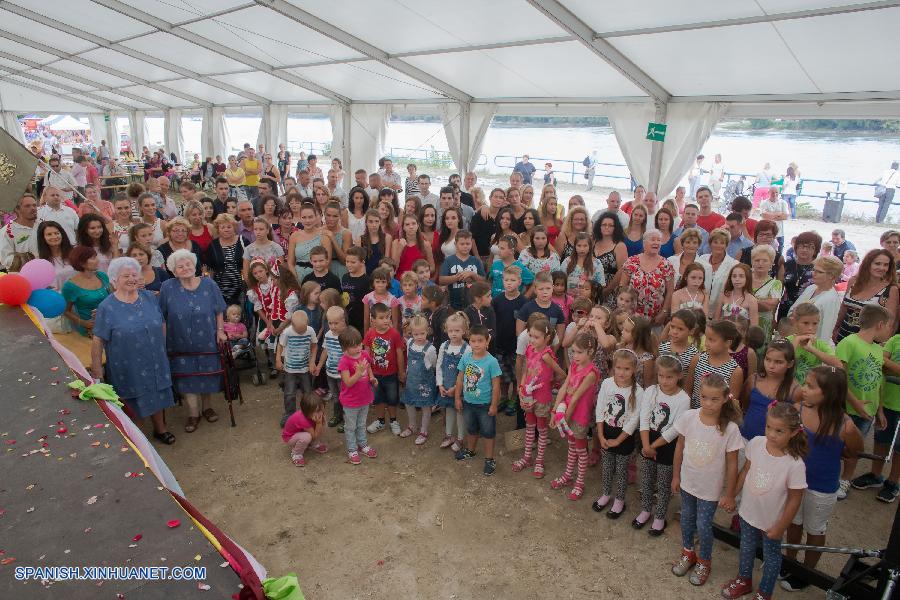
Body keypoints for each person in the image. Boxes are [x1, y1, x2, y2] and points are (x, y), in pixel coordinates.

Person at [781, 366, 863, 592]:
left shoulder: (845, 425)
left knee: (815, 529)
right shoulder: (798, 410)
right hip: (795, 481)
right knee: (794, 522)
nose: (803, 389)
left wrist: (842, 450)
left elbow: (855, 450)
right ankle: (790, 562)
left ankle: (807, 572)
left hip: (822, 488)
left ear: (829, 393)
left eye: (810, 386)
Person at [721, 403, 807, 600]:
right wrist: (731, 495)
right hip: (748, 512)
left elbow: (795, 500)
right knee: (746, 547)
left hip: (772, 521)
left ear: (794, 432)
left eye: (779, 431)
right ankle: (744, 580)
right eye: (769, 427)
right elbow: (745, 471)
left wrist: (781, 526)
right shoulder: (757, 443)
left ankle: (765, 592)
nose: (772, 434)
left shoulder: (795, 464)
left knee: (771, 556)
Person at [90, 257, 175, 445]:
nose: (131, 279)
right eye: (125, 276)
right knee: (133, 399)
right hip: (126, 363)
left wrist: (163, 349)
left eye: (134, 275)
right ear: (114, 280)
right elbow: (98, 339)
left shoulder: (149, 297)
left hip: (155, 358)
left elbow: (161, 323)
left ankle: (160, 429)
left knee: (157, 393)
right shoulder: (107, 307)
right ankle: (139, 439)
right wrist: (97, 369)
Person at [670, 372, 743, 587]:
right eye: (704, 397)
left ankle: (704, 561)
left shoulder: (730, 429)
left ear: (725, 398)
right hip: (688, 483)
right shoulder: (689, 418)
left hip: (709, 489)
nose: (708, 403)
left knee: (703, 525)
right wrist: (676, 476)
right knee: (686, 519)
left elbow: (732, 464)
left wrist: (729, 494)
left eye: (714, 399)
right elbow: (679, 448)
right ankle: (688, 552)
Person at [159, 249, 227, 433]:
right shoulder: (167, 287)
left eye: (188, 264)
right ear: (173, 270)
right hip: (179, 341)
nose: (185, 268)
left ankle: (207, 407)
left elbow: (219, 310)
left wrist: (220, 331)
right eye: (180, 266)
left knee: (207, 373)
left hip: (207, 339)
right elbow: (162, 315)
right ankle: (193, 413)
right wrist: (162, 340)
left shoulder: (209, 284)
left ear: (194, 265)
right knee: (186, 376)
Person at [837, 305, 893, 499]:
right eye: (889, 326)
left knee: (855, 449)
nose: (890, 331)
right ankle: (830, 475)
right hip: (845, 409)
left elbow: (879, 382)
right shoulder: (848, 343)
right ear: (880, 325)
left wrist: (880, 410)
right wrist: (855, 403)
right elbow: (840, 378)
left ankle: (845, 480)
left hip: (867, 413)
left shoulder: (878, 349)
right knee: (836, 445)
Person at [636, 355, 691, 535]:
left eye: (669, 377)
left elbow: (675, 429)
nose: (664, 381)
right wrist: (646, 445)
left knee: (663, 483)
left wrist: (653, 446)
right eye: (661, 376)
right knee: (646, 479)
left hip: (667, 446)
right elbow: (644, 418)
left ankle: (659, 517)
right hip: (647, 440)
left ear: (679, 376)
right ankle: (645, 510)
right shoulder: (651, 391)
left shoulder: (683, 399)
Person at [592, 348, 644, 517]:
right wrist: (601, 435)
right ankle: (606, 494)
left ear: (634, 369)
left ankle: (619, 500)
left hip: (624, 438)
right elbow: (600, 409)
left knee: (622, 471)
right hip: (606, 433)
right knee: (607, 468)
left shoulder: (638, 392)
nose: (622, 372)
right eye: (618, 368)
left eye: (627, 369)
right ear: (613, 367)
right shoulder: (607, 383)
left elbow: (634, 420)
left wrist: (619, 440)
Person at [512, 317, 566, 478]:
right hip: (528, 395)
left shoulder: (546, 355)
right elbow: (526, 370)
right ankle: (527, 457)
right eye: (530, 335)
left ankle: (540, 461)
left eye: (536, 337)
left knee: (542, 430)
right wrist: (522, 387)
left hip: (542, 398)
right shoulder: (530, 349)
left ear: (547, 338)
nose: (532, 339)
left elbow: (562, 374)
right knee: (529, 427)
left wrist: (551, 382)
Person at [454, 324, 502, 476]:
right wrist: (457, 398)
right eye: (473, 341)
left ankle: (489, 459)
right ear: (469, 342)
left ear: (487, 341)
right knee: (471, 429)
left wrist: (494, 405)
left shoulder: (491, 362)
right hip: (468, 403)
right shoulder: (466, 358)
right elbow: (460, 379)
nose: (476, 344)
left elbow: (496, 386)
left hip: (485, 405)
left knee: (488, 432)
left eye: (480, 341)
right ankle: (470, 450)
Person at [834, 249, 898, 343]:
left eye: (886, 265)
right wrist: (835, 328)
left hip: (868, 343)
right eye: (877, 263)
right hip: (843, 337)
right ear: (868, 264)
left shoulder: (890, 290)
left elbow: (890, 322)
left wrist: (883, 345)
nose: (882, 268)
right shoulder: (853, 282)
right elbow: (844, 307)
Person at [337, 326, 378, 466]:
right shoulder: (344, 361)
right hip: (350, 402)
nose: (359, 348)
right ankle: (352, 450)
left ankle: (363, 445)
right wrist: (359, 373)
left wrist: (371, 377)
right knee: (350, 427)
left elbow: (368, 367)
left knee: (361, 424)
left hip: (364, 398)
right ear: (345, 348)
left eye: (359, 344)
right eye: (354, 346)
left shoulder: (364, 354)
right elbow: (348, 382)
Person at [621, 229, 674, 325]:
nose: (656, 242)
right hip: (632, 315)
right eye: (653, 239)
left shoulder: (666, 265)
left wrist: (664, 312)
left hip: (655, 318)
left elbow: (670, 291)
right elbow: (622, 287)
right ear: (644, 243)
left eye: (658, 240)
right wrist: (624, 309)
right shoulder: (631, 262)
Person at [276, 310, 317, 428]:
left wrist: (312, 362)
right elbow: (280, 346)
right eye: (299, 331)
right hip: (290, 369)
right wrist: (278, 360)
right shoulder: (287, 332)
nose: (301, 333)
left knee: (307, 392)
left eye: (303, 330)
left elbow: (314, 346)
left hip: (305, 369)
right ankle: (289, 414)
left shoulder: (310, 331)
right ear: (292, 325)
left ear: (307, 323)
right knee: (289, 393)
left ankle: (308, 413)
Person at [400, 316, 437, 445]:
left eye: (422, 333)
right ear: (411, 333)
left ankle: (424, 431)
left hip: (425, 383)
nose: (419, 336)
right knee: (409, 403)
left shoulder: (430, 349)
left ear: (427, 331)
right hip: (411, 381)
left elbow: (434, 364)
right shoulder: (410, 343)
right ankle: (412, 426)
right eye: (416, 334)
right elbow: (409, 359)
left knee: (425, 407)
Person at [790, 256, 843, 339]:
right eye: (814, 270)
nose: (814, 273)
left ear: (832, 276)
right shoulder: (811, 288)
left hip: (812, 342)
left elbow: (826, 331)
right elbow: (792, 310)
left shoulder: (831, 299)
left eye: (819, 272)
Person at [62, 246, 110, 336]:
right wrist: (83, 323)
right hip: (90, 330)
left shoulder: (102, 276)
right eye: (93, 258)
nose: (98, 260)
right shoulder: (70, 286)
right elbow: (65, 311)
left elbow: (112, 297)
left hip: (109, 323)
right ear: (82, 263)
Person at [438, 231, 484, 311]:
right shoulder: (449, 260)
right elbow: (441, 280)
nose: (465, 246)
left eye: (468, 244)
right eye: (462, 244)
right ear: (455, 244)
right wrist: (458, 277)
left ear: (471, 244)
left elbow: (484, 280)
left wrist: (472, 274)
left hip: (474, 304)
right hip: (454, 304)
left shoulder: (476, 261)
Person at [281, 394, 327, 468]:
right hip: (290, 437)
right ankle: (296, 453)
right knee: (307, 437)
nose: (321, 413)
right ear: (307, 411)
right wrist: (319, 423)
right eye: (317, 411)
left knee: (322, 423)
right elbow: (314, 436)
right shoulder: (302, 419)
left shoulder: (311, 414)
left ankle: (312, 444)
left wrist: (320, 423)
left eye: (322, 409)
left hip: (302, 432)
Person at [1, 194, 38, 271]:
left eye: (34, 205)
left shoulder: (42, 225)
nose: (33, 208)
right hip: (21, 273)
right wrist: (26, 260)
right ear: (17, 209)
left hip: (45, 270)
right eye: (27, 206)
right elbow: (5, 258)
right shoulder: (6, 231)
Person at [760, 187, 789, 255]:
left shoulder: (783, 203)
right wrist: (779, 214)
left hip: (779, 233)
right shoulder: (764, 203)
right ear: (769, 192)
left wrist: (770, 215)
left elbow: (785, 216)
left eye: (776, 192)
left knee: (779, 254)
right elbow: (764, 216)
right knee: (765, 253)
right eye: (772, 192)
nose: (774, 194)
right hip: (766, 232)